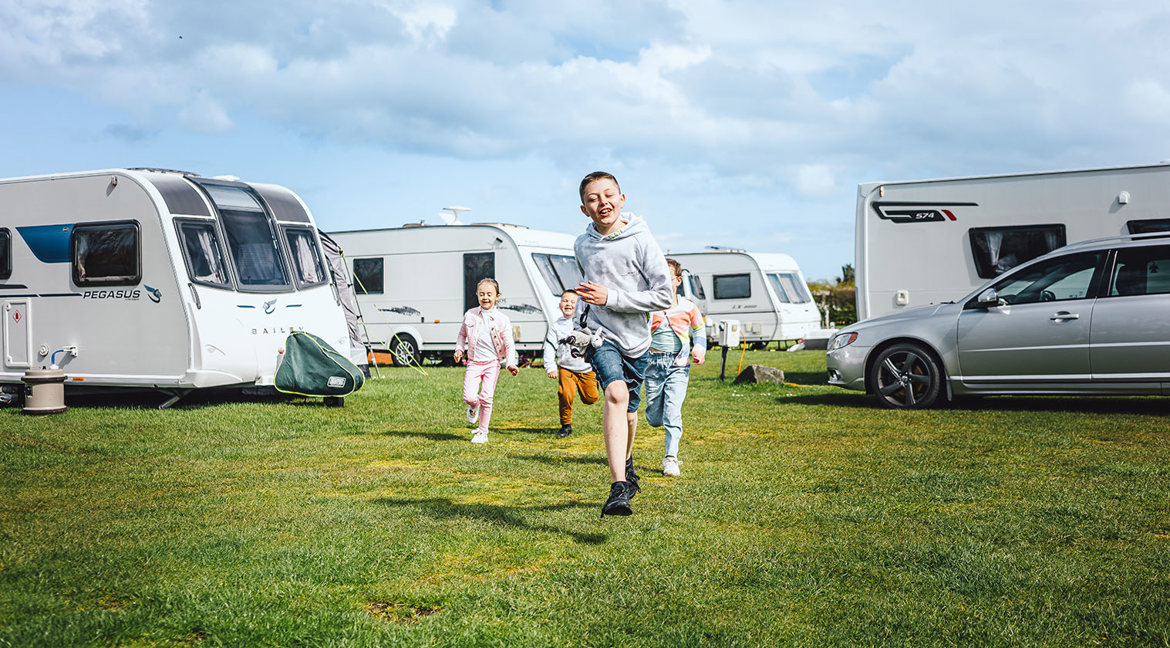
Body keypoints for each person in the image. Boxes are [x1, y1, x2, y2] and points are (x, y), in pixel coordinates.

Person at [573, 171, 674, 517]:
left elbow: (665, 296)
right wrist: (576, 325)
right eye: (593, 198)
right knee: (616, 394)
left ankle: (627, 461)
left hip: (637, 341)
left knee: (630, 411)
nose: (602, 202)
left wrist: (610, 297)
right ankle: (618, 488)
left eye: (608, 195)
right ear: (584, 209)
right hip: (600, 335)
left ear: (622, 198)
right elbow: (587, 293)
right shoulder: (581, 244)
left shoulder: (641, 240)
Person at [644, 258, 707, 477]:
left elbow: (699, 331)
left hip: (678, 365)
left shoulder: (688, 307)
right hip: (652, 364)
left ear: (678, 280)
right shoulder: (648, 307)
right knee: (654, 417)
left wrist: (699, 349)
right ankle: (657, 413)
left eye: (666, 277)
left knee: (673, 411)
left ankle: (671, 458)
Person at [454, 278, 519, 444]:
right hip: (474, 362)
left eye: (489, 294)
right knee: (469, 396)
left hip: (492, 363)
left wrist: (511, 363)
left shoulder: (502, 319)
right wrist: (459, 349)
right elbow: (462, 335)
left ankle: (483, 432)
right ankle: (473, 406)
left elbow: (510, 344)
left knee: (487, 397)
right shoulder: (470, 315)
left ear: (497, 296)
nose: (485, 297)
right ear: (477, 295)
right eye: (481, 294)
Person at [543, 289, 599, 438]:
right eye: (565, 301)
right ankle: (565, 425)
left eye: (572, 302)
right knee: (565, 395)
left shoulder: (585, 322)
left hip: (586, 368)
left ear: (578, 305)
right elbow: (549, 346)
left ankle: (595, 383)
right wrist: (551, 366)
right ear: (560, 304)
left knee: (591, 398)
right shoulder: (556, 326)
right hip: (566, 368)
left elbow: (596, 340)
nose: (568, 304)